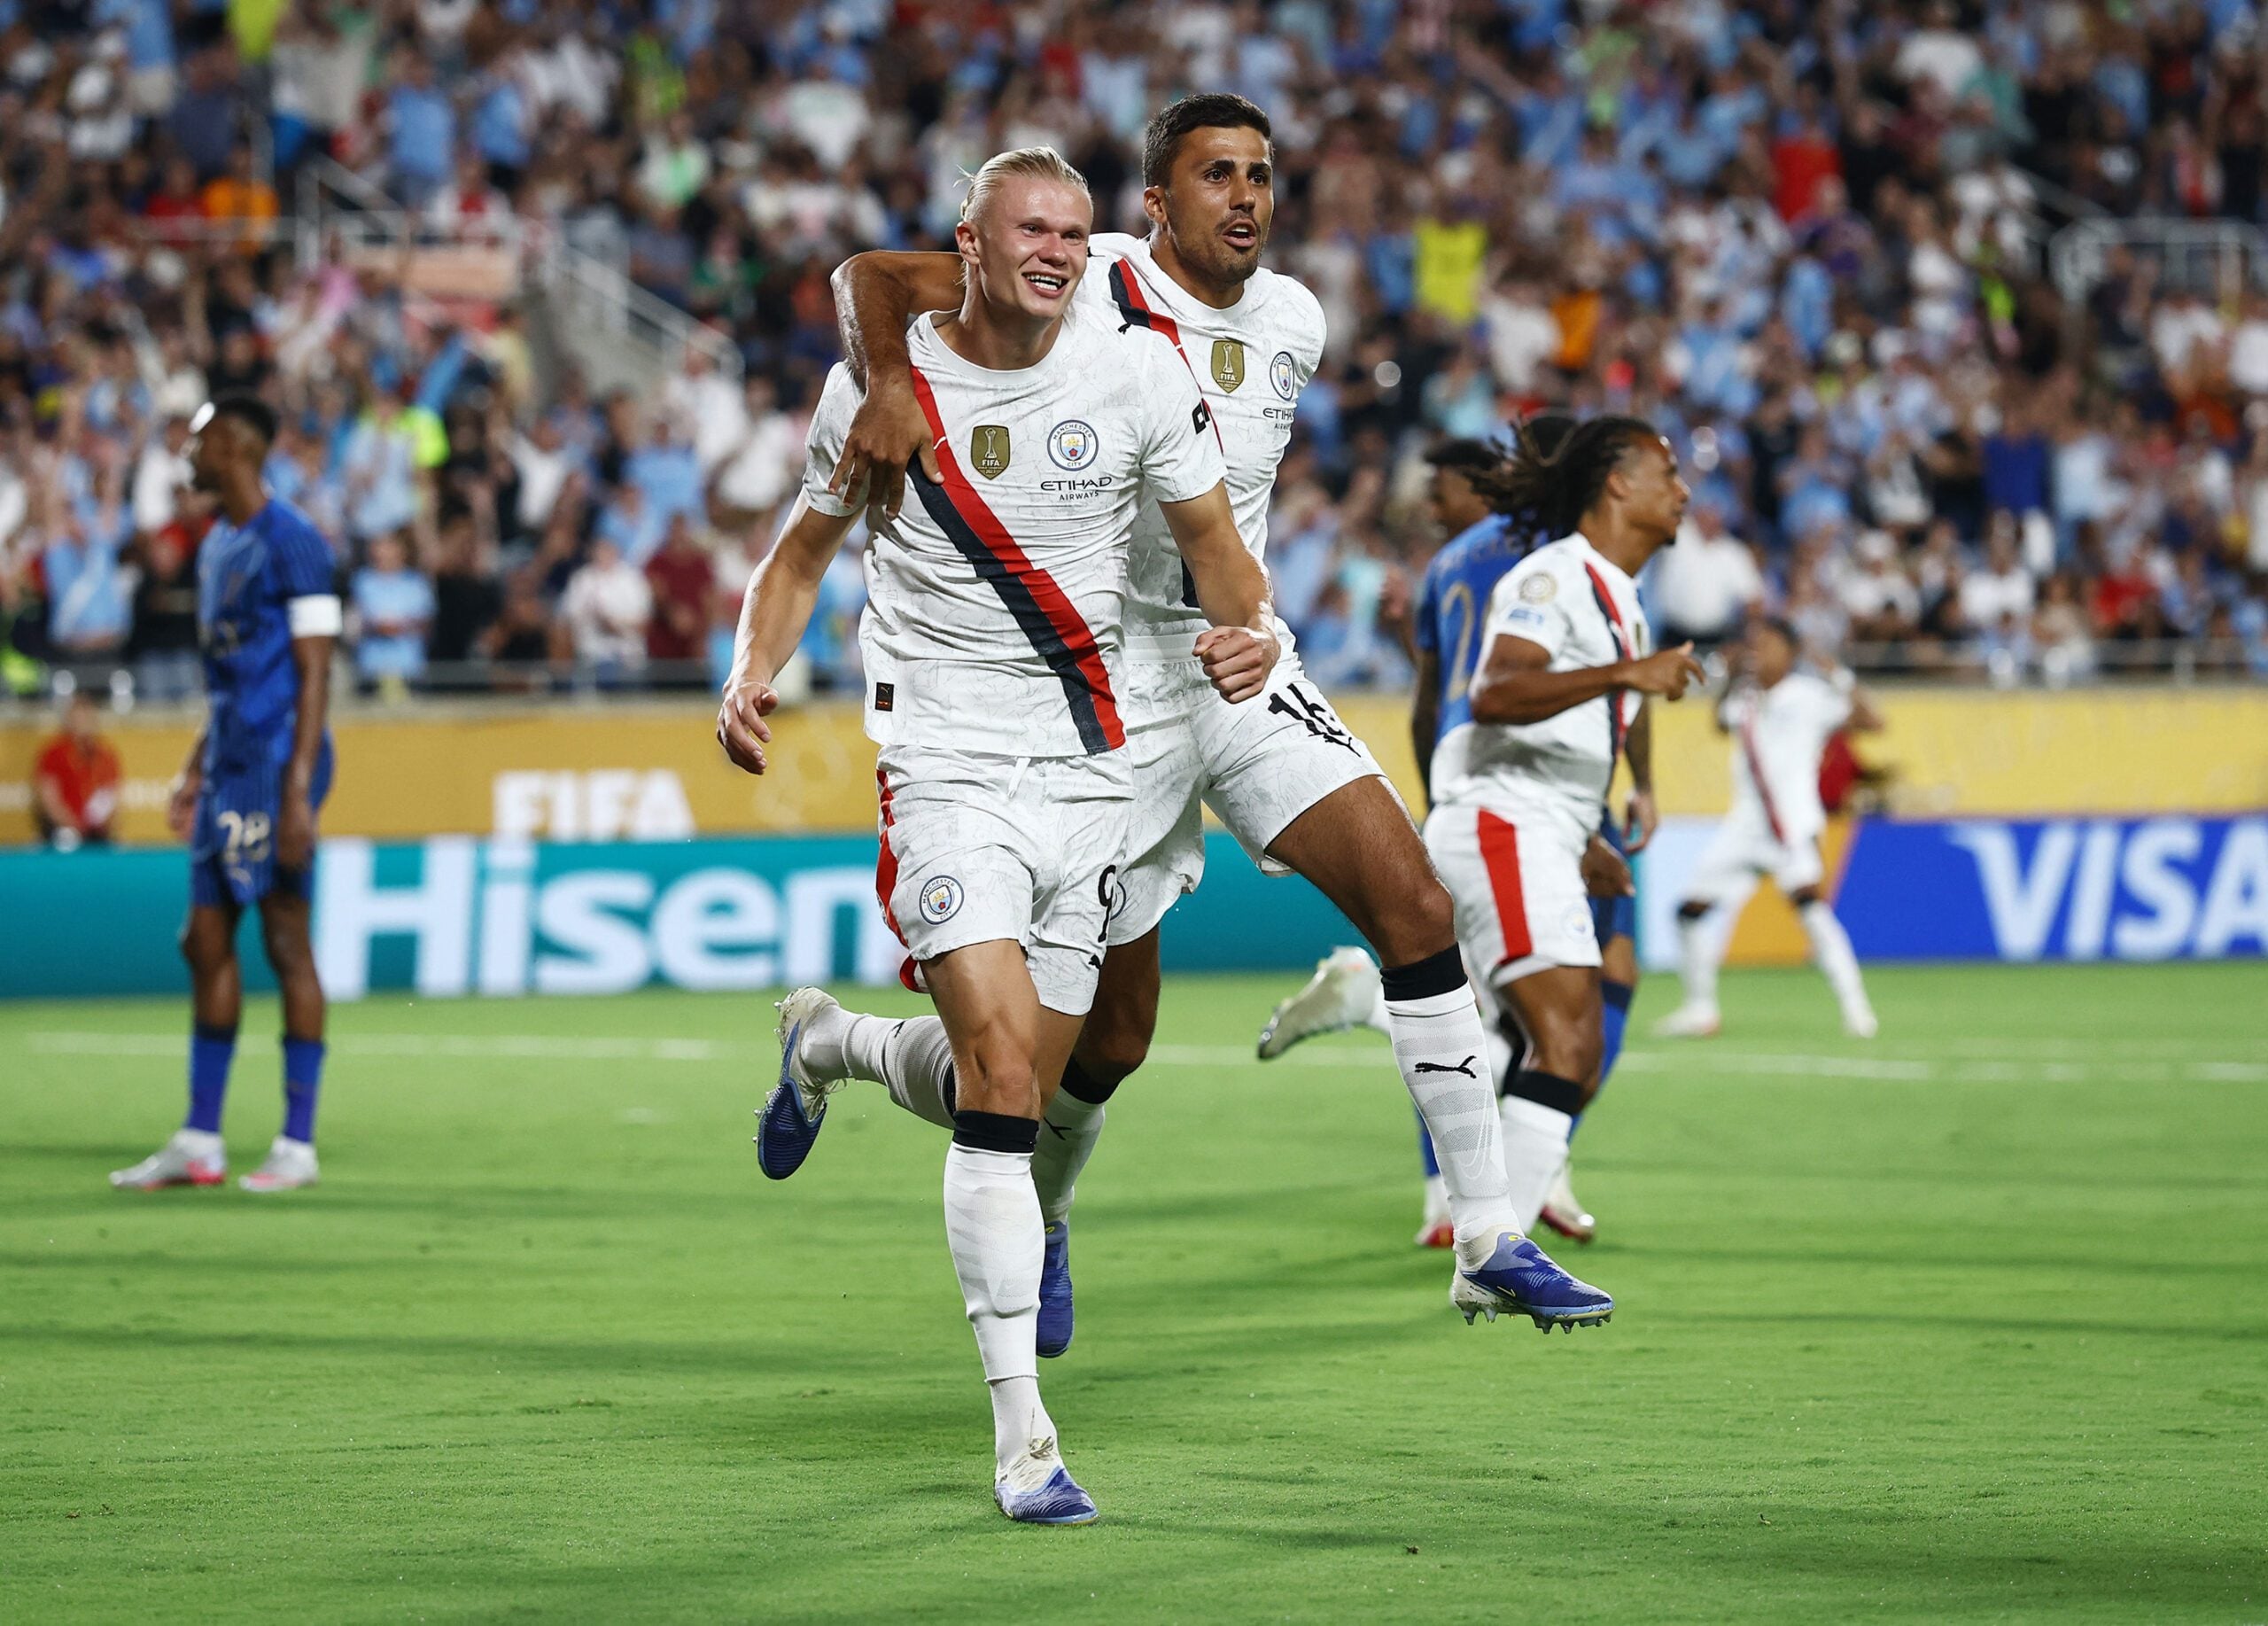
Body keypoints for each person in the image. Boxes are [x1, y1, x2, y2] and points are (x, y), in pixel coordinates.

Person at [773, 94, 1609, 1354]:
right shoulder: (1084, 275)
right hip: (1099, 692)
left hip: (1239, 658)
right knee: (1100, 1043)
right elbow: (872, 275)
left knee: (1416, 905)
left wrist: (1252, 620)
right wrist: (891, 378)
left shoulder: (1297, 320)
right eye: (1215, 175)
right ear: (1153, 203)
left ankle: (1488, 1235)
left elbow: (1227, 514)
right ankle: (896, 1090)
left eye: (1262, 175)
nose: (1247, 197)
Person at [715, 146, 1277, 1527]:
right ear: (964, 244)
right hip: (947, 760)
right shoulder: (875, 389)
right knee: (1001, 1070)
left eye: (1077, 232)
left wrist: (1247, 624)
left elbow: (1217, 539)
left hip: (1094, 767)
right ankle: (1026, 1434)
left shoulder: (1139, 371)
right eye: (1032, 229)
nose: (1060, 251)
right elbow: (797, 554)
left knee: (1033, 1082)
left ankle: (831, 1040)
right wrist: (752, 672)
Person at [1258, 428, 1657, 1249]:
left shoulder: (1446, 569)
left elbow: (1430, 698)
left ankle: (1456, 1186)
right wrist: (1628, 788)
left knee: (1477, 995)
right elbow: (1580, 690)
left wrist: (1446, 803)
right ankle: (1516, 1181)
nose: (1433, 503)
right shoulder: (1567, 561)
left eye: (1442, 489)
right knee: (1572, 1001)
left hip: (1484, 792)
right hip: (1531, 796)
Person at [1423, 414, 1703, 1233]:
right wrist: (1628, 671)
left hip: (1539, 827)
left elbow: (1582, 724)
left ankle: (1494, 1238)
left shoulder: (1619, 591)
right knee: (1566, 1040)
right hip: (1504, 824)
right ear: (1616, 482)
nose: (1683, 490)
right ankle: (1493, 1243)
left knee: (1544, 1042)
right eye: (1667, 472)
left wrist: (1586, 833)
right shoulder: (1554, 578)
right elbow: (1497, 692)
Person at [111, 393, 340, 1195]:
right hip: (228, 764)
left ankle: (297, 1144)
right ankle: (200, 1139)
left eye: (200, 439)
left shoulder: (295, 542)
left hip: (281, 766)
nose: (187, 451)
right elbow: (228, 676)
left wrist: (301, 794)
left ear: (238, 446)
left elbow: (315, 671)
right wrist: (195, 763)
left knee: (285, 939)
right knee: (203, 941)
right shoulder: (217, 546)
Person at [1655, 618, 1884, 1039]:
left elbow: (1873, 722)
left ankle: (1857, 1010)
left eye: (1768, 645)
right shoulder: (1745, 698)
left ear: (1791, 652)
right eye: (1754, 645)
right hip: (1743, 828)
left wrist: (1839, 675)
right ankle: (1700, 1009)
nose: (1758, 652)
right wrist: (1732, 675)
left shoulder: (1810, 696)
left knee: (1811, 911)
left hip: (1789, 826)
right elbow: (1720, 724)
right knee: (1688, 913)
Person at [33, 692, 122, 849]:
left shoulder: (105, 755)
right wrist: (73, 824)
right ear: (69, 721)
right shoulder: (54, 753)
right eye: (78, 719)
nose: (83, 725)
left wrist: (99, 824)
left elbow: (112, 795)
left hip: (97, 833)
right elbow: (50, 798)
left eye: (87, 719)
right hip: (64, 831)